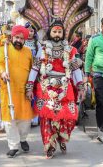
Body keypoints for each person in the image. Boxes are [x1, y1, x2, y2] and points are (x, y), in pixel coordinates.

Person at [26, 19, 84, 159]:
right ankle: (49, 145)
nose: (57, 34)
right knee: (46, 118)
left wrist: (80, 86)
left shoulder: (70, 50)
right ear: (49, 32)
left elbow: (76, 70)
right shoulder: (43, 48)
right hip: (46, 86)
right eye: (54, 31)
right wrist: (29, 86)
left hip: (65, 86)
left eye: (59, 31)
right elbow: (35, 69)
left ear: (63, 33)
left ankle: (62, 138)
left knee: (69, 117)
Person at [0, 25, 34, 158]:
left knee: (25, 119)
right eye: (17, 37)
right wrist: (2, 72)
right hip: (9, 90)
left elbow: (32, 69)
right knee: (9, 120)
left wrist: (31, 86)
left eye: (22, 38)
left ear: (25, 40)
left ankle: (23, 139)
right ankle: (13, 146)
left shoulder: (28, 52)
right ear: (12, 37)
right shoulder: (4, 49)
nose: (19, 40)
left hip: (24, 90)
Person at [24, 22, 41, 127]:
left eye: (32, 30)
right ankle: (25, 116)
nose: (29, 33)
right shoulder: (22, 42)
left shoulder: (37, 44)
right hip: (24, 71)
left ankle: (35, 117)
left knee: (35, 94)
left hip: (35, 72)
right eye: (28, 30)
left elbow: (39, 58)